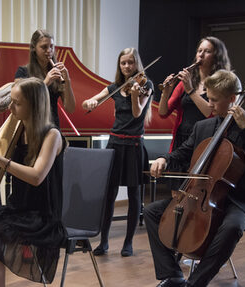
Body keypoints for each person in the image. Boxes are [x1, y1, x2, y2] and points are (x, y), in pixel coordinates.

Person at [145, 70, 245, 287]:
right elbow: (183, 153)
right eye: (208, 97)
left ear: (232, 99)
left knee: (232, 227)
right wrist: (164, 159)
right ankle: (172, 275)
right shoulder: (203, 127)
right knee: (151, 212)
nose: (209, 104)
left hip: (241, 200)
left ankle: (195, 283)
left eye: (214, 99)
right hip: (203, 197)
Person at [0, 77, 66, 286]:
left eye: (17, 103)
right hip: (18, 209)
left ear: (34, 106)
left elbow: (36, 176)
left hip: (41, 215)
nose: (10, 107)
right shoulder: (18, 130)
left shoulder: (52, 135)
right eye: (10, 101)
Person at [82, 47, 154, 257]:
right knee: (109, 195)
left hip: (133, 145)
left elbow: (137, 112)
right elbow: (89, 101)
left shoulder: (145, 85)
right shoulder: (115, 86)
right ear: (119, 65)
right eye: (123, 63)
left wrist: (133, 95)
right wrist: (91, 102)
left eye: (131, 62)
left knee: (134, 195)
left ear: (136, 64)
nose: (127, 67)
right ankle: (103, 242)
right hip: (115, 144)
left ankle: (128, 243)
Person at [158, 37, 231, 185]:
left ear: (217, 56)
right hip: (182, 140)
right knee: (176, 192)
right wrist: (166, 92)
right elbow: (163, 112)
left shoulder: (219, 83)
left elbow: (212, 113)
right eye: (199, 51)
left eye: (207, 51)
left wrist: (190, 90)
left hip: (204, 141)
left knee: (197, 188)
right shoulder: (184, 83)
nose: (201, 55)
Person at [15, 29, 75, 127]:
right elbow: (20, 103)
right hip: (31, 128)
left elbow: (70, 108)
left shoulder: (56, 73)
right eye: (44, 47)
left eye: (51, 46)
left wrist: (67, 81)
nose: (49, 51)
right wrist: (45, 83)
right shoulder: (23, 72)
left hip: (52, 127)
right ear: (34, 48)